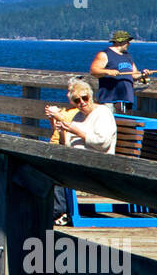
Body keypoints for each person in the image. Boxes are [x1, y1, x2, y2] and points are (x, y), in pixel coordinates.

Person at [45, 78, 117, 225]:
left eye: (85, 98)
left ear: (91, 96)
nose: (82, 103)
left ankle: (58, 210)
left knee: (57, 170)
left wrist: (77, 131)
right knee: (42, 166)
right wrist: (57, 126)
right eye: (77, 101)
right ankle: (50, 208)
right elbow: (67, 143)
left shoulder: (102, 113)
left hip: (98, 163)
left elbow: (103, 143)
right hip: (78, 160)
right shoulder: (79, 115)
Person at [90, 30, 156, 112]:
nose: (129, 44)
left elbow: (134, 75)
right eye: (127, 42)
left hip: (126, 99)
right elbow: (94, 71)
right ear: (120, 41)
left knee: (125, 123)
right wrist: (108, 72)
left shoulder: (127, 56)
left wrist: (143, 74)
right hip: (109, 100)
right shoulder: (104, 54)